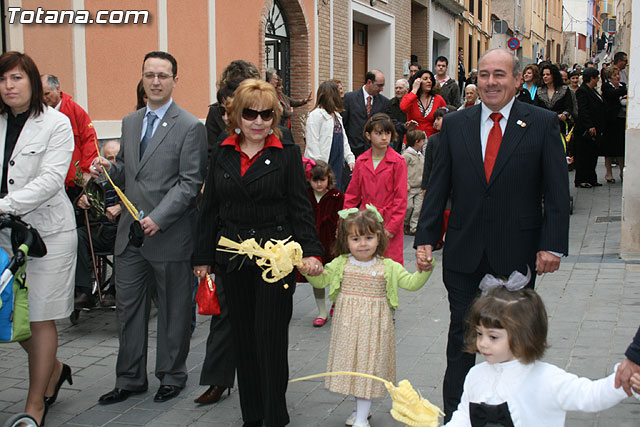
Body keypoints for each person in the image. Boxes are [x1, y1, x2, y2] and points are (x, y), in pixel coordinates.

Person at [415, 48, 570, 422]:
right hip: (464, 254)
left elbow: (556, 190)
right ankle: (458, 416)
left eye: (500, 74)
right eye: (484, 75)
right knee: (462, 342)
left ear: (518, 80)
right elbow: (438, 187)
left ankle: (510, 413)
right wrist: (425, 237)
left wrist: (553, 245)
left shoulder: (542, 123)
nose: (490, 82)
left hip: (516, 255)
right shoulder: (455, 125)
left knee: (513, 341)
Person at [192, 78, 324, 427]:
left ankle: (274, 416)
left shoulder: (287, 153)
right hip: (233, 260)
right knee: (244, 340)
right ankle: (252, 416)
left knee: (270, 340)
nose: (258, 121)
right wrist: (202, 257)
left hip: (275, 261)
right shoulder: (221, 153)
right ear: (236, 115)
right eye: (250, 113)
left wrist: (311, 251)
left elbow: (301, 208)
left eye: (266, 114)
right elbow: (209, 208)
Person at [93, 51, 207, 405]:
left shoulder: (190, 126)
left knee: (174, 312)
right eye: (149, 74)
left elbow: (190, 183)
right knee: (128, 311)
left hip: (169, 235)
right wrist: (106, 172)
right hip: (130, 237)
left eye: (163, 75)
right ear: (142, 78)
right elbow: (129, 170)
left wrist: (159, 216)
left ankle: (171, 375)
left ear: (175, 80)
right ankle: (129, 378)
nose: (155, 81)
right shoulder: (129, 122)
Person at [0, 51, 77, 425]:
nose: (9, 86)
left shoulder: (56, 124)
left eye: (16, 78)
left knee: (41, 318)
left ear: (32, 81)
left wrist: (5, 204)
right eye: (2, 80)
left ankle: (34, 404)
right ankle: (55, 367)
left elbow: (50, 180)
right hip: (5, 237)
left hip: (48, 234)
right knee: (13, 318)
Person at [304, 207, 433, 427]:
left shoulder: (388, 266)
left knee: (367, 368)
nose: (363, 243)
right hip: (348, 328)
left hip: (374, 329)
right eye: (356, 238)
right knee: (355, 368)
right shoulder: (340, 264)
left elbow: (412, 284)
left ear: (379, 238)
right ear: (346, 240)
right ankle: (361, 410)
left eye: (369, 237)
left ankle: (362, 418)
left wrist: (424, 269)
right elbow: (321, 282)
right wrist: (309, 271)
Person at [445, 286, 633, 426]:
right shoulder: (476, 375)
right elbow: (463, 417)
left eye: (493, 337)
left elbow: (591, 395)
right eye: (479, 334)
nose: (483, 343)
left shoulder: (547, 379)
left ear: (523, 336)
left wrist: (625, 380)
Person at [344, 113, 407, 265]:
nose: (384, 137)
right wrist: (345, 221)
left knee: (388, 270)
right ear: (368, 135)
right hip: (364, 221)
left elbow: (401, 198)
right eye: (378, 133)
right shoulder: (361, 160)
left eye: (387, 133)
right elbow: (352, 195)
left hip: (389, 220)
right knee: (365, 267)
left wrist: (391, 227)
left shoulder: (398, 162)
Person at [74, 139, 121, 309]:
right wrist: (80, 200)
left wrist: (121, 207)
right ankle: (85, 291)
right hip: (98, 230)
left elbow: (140, 201)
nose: (112, 162)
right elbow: (78, 200)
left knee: (124, 238)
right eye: (109, 158)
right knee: (78, 236)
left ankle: (114, 291)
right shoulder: (94, 179)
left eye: (116, 158)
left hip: (120, 230)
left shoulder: (128, 177)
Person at [298, 160, 344, 327]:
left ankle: (335, 303)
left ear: (329, 179)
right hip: (312, 242)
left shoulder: (337, 197)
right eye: (314, 180)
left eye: (322, 180)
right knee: (316, 276)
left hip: (332, 243)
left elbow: (342, 219)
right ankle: (321, 311)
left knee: (336, 275)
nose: (318, 184)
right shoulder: (305, 196)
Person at [41, 74, 98, 201]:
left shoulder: (75, 111)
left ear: (57, 89)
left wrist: (86, 170)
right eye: (40, 96)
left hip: (73, 178)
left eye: (47, 94)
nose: (43, 99)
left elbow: (89, 140)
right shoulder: (38, 114)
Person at [304, 80, 355, 191]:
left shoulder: (337, 116)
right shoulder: (316, 115)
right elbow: (313, 143)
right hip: (324, 165)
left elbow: (344, 139)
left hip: (337, 162)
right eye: (338, 93)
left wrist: (350, 158)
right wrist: (320, 167)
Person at [342, 70, 390, 158]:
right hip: (353, 150)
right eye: (379, 85)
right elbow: (343, 123)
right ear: (369, 82)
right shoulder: (350, 98)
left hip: (374, 152)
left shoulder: (384, 102)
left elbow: (388, 124)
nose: (381, 89)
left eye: (383, 86)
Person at [574, 67, 606, 188]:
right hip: (585, 129)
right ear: (591, 78)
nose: (598, 79)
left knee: (592, 155)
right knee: (584, 155)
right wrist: (590, 125)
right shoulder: (583, 91)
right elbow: (583, 110)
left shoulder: (593, 91)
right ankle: (582, 179)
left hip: (596, 128)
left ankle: (592, 178)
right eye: (596, 77)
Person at [400, 69, 447, 138]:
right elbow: (403, 107)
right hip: (413, 140)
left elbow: (447, 116)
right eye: (425, 79)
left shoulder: (438, 99)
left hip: (432, 140)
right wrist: (414, 89)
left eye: (430, 79)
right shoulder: (411, 98)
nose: (429, 81)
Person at [601, 65, 627, 183]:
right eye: (614, 75)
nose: (617, 77)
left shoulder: (622, 86)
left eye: (618, 75)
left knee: (621, 147)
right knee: (609, 148)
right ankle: (608, 173)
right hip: (610, 121)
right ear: (609, 77)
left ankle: (622, 171)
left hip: (621, 120)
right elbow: (612, 94)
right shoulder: (606, 87)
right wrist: (624, 91)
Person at [535, 64, 574, 133]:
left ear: (554, 75)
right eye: (543, 75)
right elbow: (536, 107)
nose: (545, 77)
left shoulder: (564, 89)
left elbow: (569, 107)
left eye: (548, 74)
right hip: (543, 125)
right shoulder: (539, 91)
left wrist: (564, 115)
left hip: (559, 125)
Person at [402, 129, 425, 236]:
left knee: (417, 208)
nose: (423, 143)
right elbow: (402, 171)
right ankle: (405, 223)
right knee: (408, 207)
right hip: (410, 186)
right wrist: (405, 184)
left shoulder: (421, 155)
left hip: (419, 186)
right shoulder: (406, 155)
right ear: (417, 142)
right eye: (422, 141)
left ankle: (413, 228)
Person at [386, 78, 409, 152]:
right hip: (395, 138)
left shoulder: (412, 103)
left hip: (408, 138)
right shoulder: (390, 104)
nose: (398, 90)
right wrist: (403, 126)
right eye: (396, 88)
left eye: (400, 88)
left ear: (407, 90)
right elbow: (390, 120)